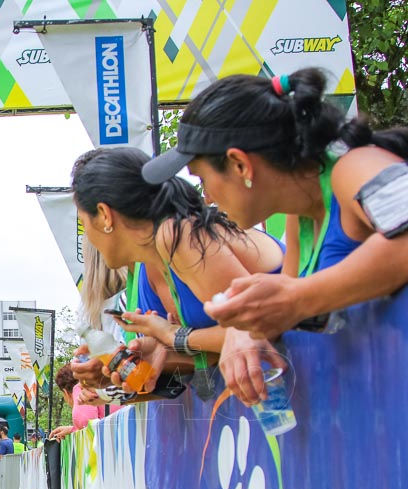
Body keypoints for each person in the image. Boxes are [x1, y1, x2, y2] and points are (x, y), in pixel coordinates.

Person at [141, 69, 408, 404]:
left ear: (240, 165)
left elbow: (299, 297)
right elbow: (291, 311)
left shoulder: (354, 167)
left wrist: (298, 297)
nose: (206, 197)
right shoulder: (302, 217)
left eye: (203, 179)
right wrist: (242, 329)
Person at [71, 147, 286, 396]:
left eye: (84, 222)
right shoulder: (149, 266)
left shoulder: (177, 234)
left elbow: (257, 327)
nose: (87, 235)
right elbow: (222, 350)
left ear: (105, 215)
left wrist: (173, 336)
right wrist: (155, 359)